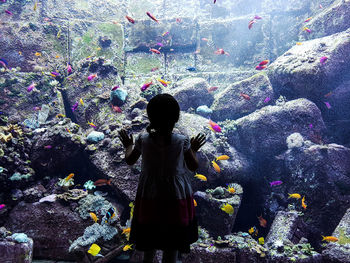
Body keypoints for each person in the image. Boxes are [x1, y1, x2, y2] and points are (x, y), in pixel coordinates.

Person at [118, 94, 206, 263]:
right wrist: (194, 149)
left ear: (150, 117)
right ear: (176, 117)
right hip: (175, 197)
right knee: (171, 245)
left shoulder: (143, 139)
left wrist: (128, 145)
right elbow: (193, 166)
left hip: (150, 195)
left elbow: (130, 160)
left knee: (149, 243)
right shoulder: (182, 141)